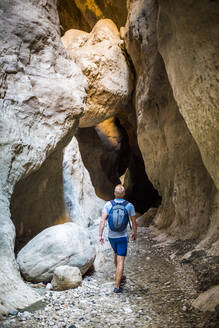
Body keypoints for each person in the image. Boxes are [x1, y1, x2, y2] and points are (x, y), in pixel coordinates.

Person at [99, 184, 137, 293]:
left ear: (114, 193)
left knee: (116, 252)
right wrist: (135, 233)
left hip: (111, 237)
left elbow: (102, 221)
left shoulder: (108, 204)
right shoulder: (129, 206)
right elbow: (134, 222)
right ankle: (117, 286)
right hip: (122, 236)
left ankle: (119, 275)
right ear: (124, 194)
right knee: (121, 260)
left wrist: (100, 235)